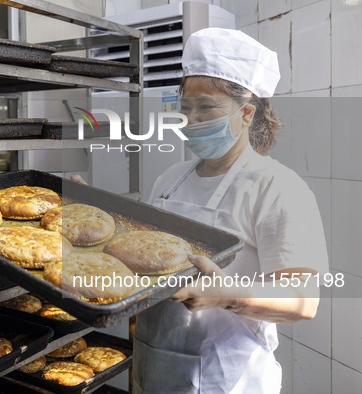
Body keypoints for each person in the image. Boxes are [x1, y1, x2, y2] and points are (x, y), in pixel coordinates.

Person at [74, 27, 328, 393]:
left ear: (246, 114)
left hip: (226, 378)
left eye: (206, 107)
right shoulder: (171, 177)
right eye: (185, 109)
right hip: (154, 365)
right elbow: (146, 253)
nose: (191, 121)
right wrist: (97, 213)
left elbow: (304, 301)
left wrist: (230, 296)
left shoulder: (278, 187)